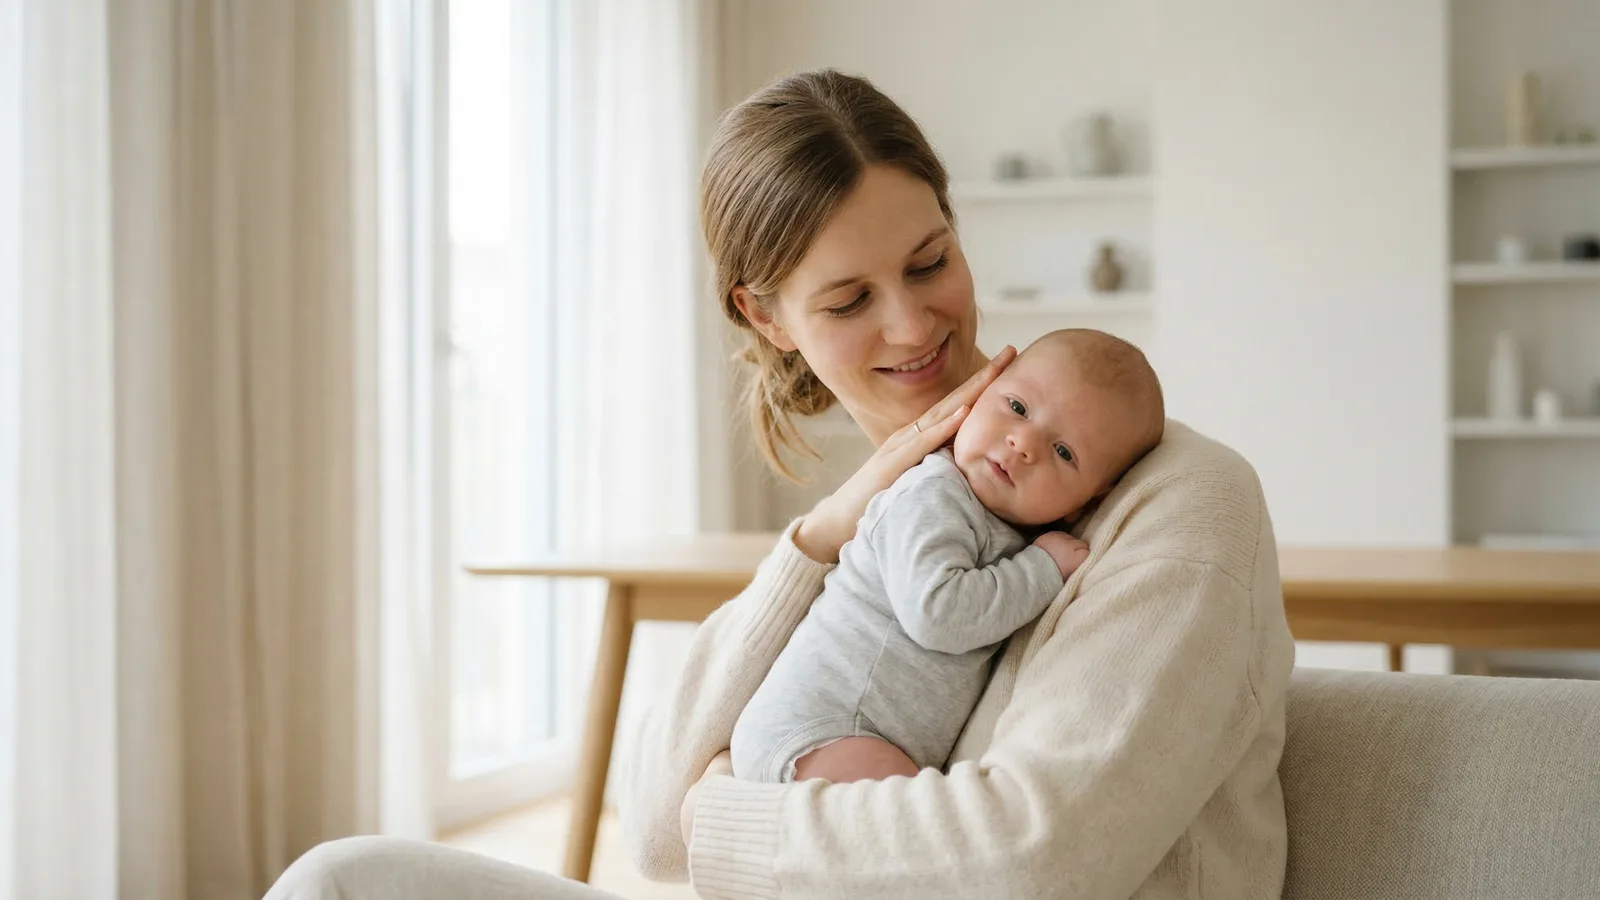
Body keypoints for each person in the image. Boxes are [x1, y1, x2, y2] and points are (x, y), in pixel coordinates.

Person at [264, 68, 1294, 900]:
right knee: (341, 878)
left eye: (930, 262)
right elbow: (657, 823)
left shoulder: (1178, 504)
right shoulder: (874, 520)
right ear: (766, 318)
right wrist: (818, 539)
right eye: (848, 299)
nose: (912, 326)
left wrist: (732, 817)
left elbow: (1031, 860)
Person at [730, 329, 1164, 786]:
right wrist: (1041, 570)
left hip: (857, 736)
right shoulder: (935, 493)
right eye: (1017, 408)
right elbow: (937, 612)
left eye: (1063, 452)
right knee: (907, 827)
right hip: (826, 727)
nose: (1023, 444)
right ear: (979, 394)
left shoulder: (1007, 522)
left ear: (1090, 501)